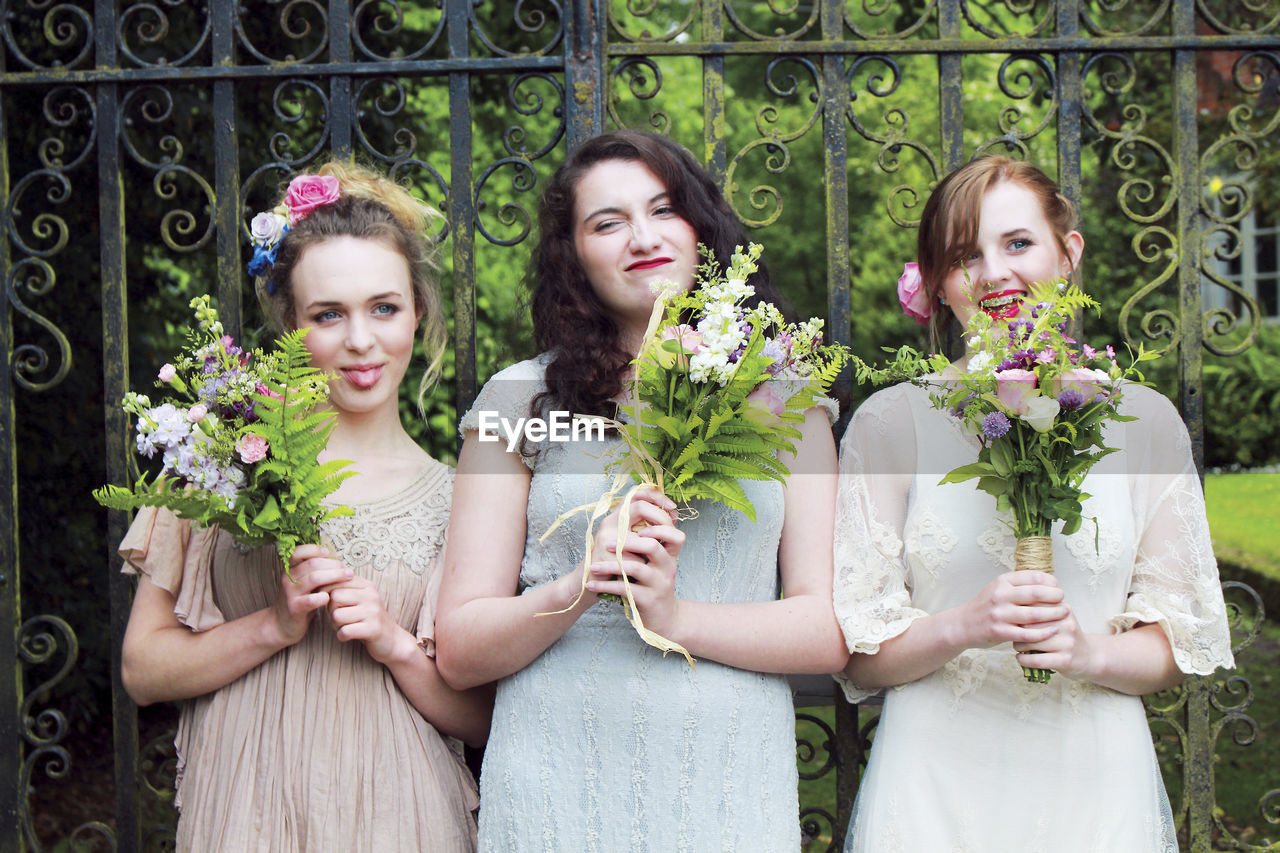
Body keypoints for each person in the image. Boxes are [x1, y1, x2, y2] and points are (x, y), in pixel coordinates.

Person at [435, 129, 848, 852]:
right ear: (574, 258)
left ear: (701, 226)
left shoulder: (787, 400)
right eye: (607, 222)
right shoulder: (520, 398)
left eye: (664, 209)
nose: (642, 237)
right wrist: (578, 584)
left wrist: (677, 615)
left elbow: (826, 632)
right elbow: (461, 648)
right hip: (557, 777)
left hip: (727, 781)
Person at [833, 156, 1235, 851]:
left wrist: (1085, 650)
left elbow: (1181, 640)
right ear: (937, 283)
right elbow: (859, 657)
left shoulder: (1145, 420)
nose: (993, 274)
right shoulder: (889, 423)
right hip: (933, 792)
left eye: (1017, 243)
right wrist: (965, 623)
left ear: (1066, 252)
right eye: (964, 256)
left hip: (1097, 789)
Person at [117, 161, 491, 852]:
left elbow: (483, 720)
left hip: (401, 818)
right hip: (245, 812)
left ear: (417, 311)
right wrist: (273, 625)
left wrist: (394, 644)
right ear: (291, 322)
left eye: (384, 307)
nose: (360, 341)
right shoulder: (219, 457)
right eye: (328, 315)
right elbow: (143, 669)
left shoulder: (460, 498)